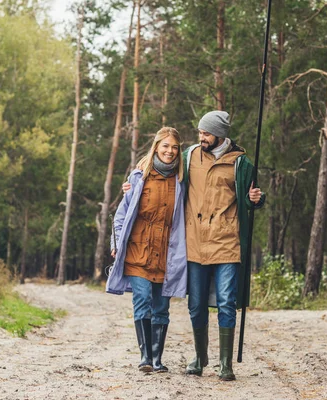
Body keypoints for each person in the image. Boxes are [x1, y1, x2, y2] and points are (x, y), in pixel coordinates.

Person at [124, 111, 265, 381]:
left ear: (220, 135)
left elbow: (250, 199)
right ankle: (200, 357)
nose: (201, 137)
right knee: (196, 304)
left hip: (226, 243)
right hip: (194, 242)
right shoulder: (188, 157)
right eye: (200, 132)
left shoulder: (241, 163)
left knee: (226, 302)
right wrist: (134, 186)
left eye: (206, 134)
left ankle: (225, 364)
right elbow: (161, 174)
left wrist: (256, 199)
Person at [106, 127, 187, 374]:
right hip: (137, 251)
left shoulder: (182, 181)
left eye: (174, 147)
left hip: (166, 254)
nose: (170, 152)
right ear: (156, 147)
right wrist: (116, 244)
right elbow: (121, 216)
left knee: (161, 306)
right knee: (142, 300)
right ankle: (145, 358)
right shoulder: (138, 178)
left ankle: (158, 359)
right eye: (165, 146)